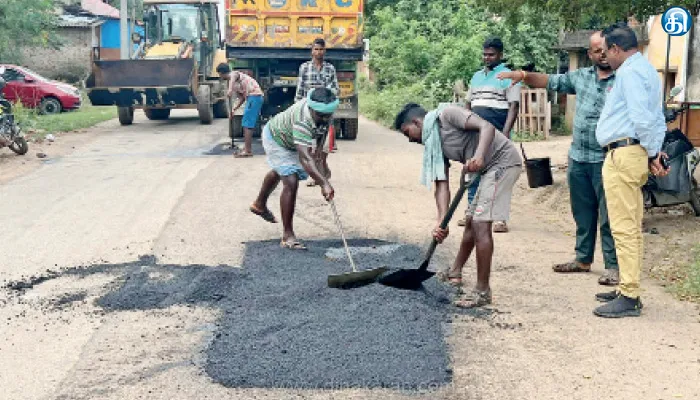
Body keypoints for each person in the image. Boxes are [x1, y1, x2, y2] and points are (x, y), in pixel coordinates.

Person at [496, 31, 620, 286]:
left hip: (608, 158)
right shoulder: (581, 77)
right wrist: (523, 76)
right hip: (578, 157)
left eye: (606, 49)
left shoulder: (624, 80)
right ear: (590, 54)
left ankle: (613, 267)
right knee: (582, 212)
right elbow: (551, 81)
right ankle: (583, 259)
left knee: (610, 216)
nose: (603, 54)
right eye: (597, 50)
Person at [393, 103, 522, 308]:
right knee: (471, 221)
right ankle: (455, 271)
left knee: (480, 223)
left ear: (417, 122)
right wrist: (441, 221)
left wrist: (479, 155)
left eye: (408, 132)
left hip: (503, 163)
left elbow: (486, 127)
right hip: (485, 171)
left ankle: (482, 291)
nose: (410, 139)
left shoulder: (448, 115)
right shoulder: (433, 143)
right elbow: (441, 184)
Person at [592, 23, 669, 318]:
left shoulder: (629, 72)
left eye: (604, 51)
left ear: (615, 48)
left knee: (623, 226)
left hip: (623, 154)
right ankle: (628, 285)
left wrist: (652, 152)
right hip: (633, 152)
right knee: (631, 225)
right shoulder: (647, 70)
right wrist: (654, 152)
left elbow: (641, 117)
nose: (603, 58)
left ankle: (629, 295)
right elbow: (656, 118)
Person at [249, 88, 337, 250]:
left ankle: (259, 204)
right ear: (311, 109)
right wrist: (324, 183)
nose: (325, 119)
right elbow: (305, 158)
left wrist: (320, 159)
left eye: (328, 115)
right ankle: (287, 235)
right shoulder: (302, 120)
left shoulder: (325, 111)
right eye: (321, 115)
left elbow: (320, 138)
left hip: (293, 140)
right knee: (291, 180)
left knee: (281, 170)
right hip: (276, 138)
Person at [459, 37, 521, 233]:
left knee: (499, 177)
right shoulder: (476, 76)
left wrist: (505, 133)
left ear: (500, 55)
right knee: (473, 172)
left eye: (491, 54)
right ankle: (471, 212)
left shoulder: (508, 76)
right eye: (485, 54)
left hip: (497, 135)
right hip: (475, 135)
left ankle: (499, 219)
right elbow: (468, 104)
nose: (487, 57)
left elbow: (513, 106)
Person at [295, 38, 340, 186]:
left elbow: (336, 90)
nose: (318, 52)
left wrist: (323, 92)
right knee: (311, 144)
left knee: (324, 146)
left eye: (321, 49)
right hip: (310, 112)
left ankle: (323, 172)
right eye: (316, 49)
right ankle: (318, 175)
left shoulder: (330, 69)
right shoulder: (304, 68)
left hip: (325, 112)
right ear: (312, 51)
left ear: (324, 51)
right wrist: (297, 108)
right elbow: (300, 89)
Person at [216, 63, 264, 158]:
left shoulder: (234, 74)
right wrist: (234, 109)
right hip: (252, 98)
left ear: (221, 73)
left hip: (254, 96)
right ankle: (247, 148)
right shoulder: (235, 84)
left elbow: (233, 77)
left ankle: (248, 151)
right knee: (246, 123)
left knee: (247, 124)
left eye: (219, 74)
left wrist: (229, 90)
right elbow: (242, 98)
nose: (220, 76)